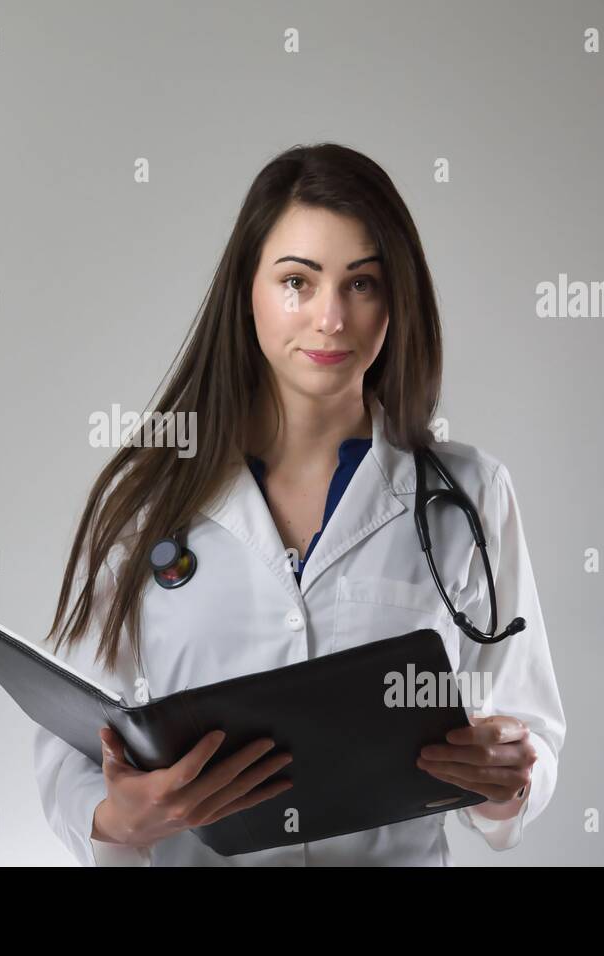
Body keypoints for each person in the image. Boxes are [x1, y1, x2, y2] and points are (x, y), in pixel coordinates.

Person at [33, 143, 565, 866]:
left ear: (397, 299)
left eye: (363, 284)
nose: (331, 319)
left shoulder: (469, 495)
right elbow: (69, 736)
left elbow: (526, 726)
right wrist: (117, 818)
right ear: (246, 290)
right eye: (297, 282)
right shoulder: (147, 500)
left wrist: (507, 779)